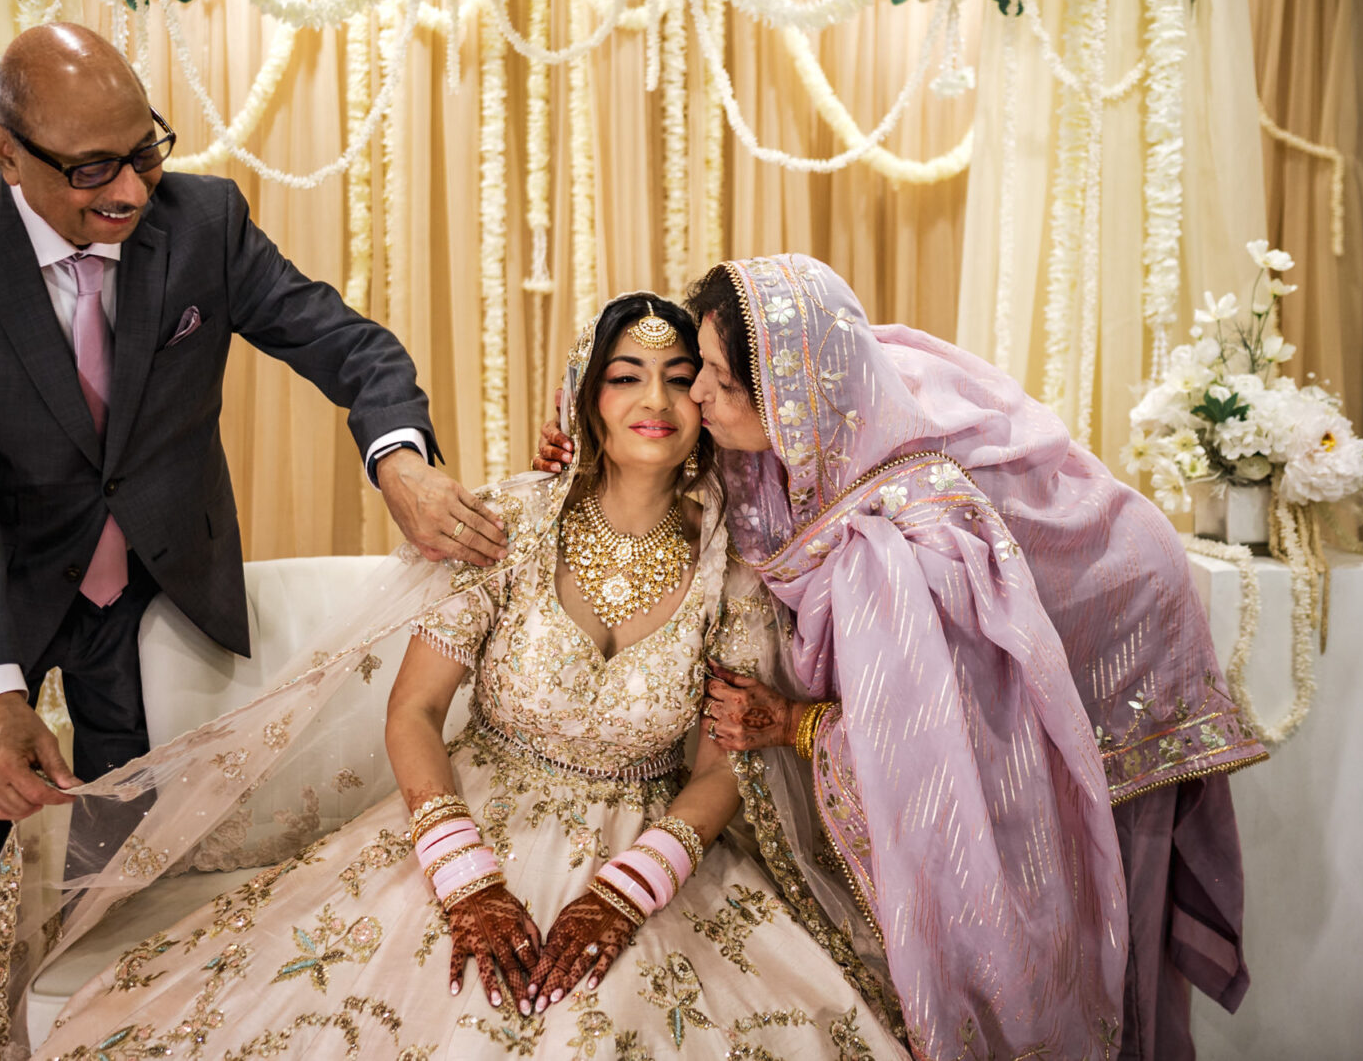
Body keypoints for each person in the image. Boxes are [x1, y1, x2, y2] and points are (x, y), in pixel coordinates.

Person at [0, 293, 926, 1059]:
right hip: (466, 829)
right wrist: (465, 876)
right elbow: (416, 713)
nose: (653, 400)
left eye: (676, 378)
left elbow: (721, 765)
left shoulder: (734, 565)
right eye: (624, 375)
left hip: (652, 847)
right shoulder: (511, 522)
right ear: (585, 391)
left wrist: (627, 891)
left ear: (709, 401)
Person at [0, 22, 505, 1005]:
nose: (128, 191)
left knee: (124, 897)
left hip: (149, 602)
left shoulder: (201, 221)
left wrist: (400, 462)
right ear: (5, 151)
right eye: (90, 170)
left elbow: (351, 348)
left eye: (145, 150)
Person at [537, 255, 1268, 1060]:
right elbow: (676, 458)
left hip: (1114, 634)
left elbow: (932, 749)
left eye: (712, 377)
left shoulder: (887, 546)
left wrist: (796, 724)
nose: (694, 395)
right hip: (1072, 609)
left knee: (1099, 924)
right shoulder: (835, 395)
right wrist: (582, 455)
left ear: (781, 393)